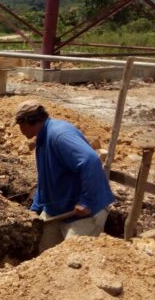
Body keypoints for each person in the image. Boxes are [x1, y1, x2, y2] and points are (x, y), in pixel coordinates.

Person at [14, 100, 114, 253]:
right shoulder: (42, 139)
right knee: (44, 258)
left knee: (71, 260)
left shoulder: (59, 135)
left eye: (19, 125)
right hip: (57, 211)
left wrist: (86, 202)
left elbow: (91, 161)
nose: (20, 130)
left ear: (27, 122)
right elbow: (45, 178)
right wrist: (36, 208)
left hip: (84, 215)